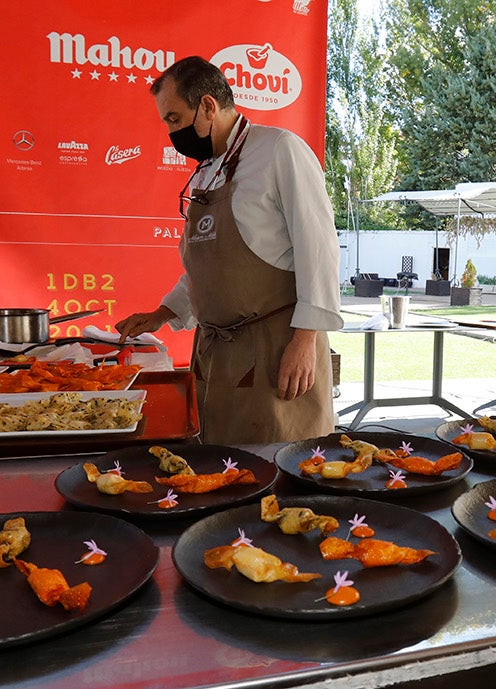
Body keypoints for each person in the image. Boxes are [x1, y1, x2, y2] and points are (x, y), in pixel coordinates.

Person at [116, 56, 343, 444]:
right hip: (216, 356)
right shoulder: (207, 169)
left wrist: (306, 342)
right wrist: (164, 312)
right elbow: (208, 266)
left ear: (207, 105)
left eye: (174, 118)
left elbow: (318, 249)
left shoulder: (279, 150)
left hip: (275, 349)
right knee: (219, 469)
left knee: (277, 469)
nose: (171, 131)